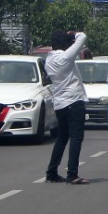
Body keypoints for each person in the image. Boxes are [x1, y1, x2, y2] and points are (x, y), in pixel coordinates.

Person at [44, 30, 90, 185]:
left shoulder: (48, 59)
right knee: (76, 138)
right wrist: (74, 33)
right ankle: (72, 174)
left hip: (60, 104)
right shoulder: (65, 57)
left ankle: (52, 172)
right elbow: (82, 37)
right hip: (73, 101)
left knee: (62, 138)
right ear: (63, 45)